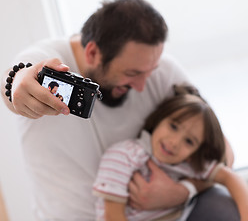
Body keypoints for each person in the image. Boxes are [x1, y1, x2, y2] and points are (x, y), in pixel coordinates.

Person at [1, 0, 238, 220]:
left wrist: (183, 190)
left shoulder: (158, 68)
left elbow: (224, 154)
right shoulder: (48, 60)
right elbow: (16, 81)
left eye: (150, 72)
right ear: (93, 53)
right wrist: (17, 84)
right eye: (132, 74)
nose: (142, 85)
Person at [93, 85, 248, 221]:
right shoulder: (123, 156)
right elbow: (112, 217)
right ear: (160, 118)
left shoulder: (189, 162)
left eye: (189, 141)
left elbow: (230, 177)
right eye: (173, 126)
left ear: (195, 151)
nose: (174, 142)